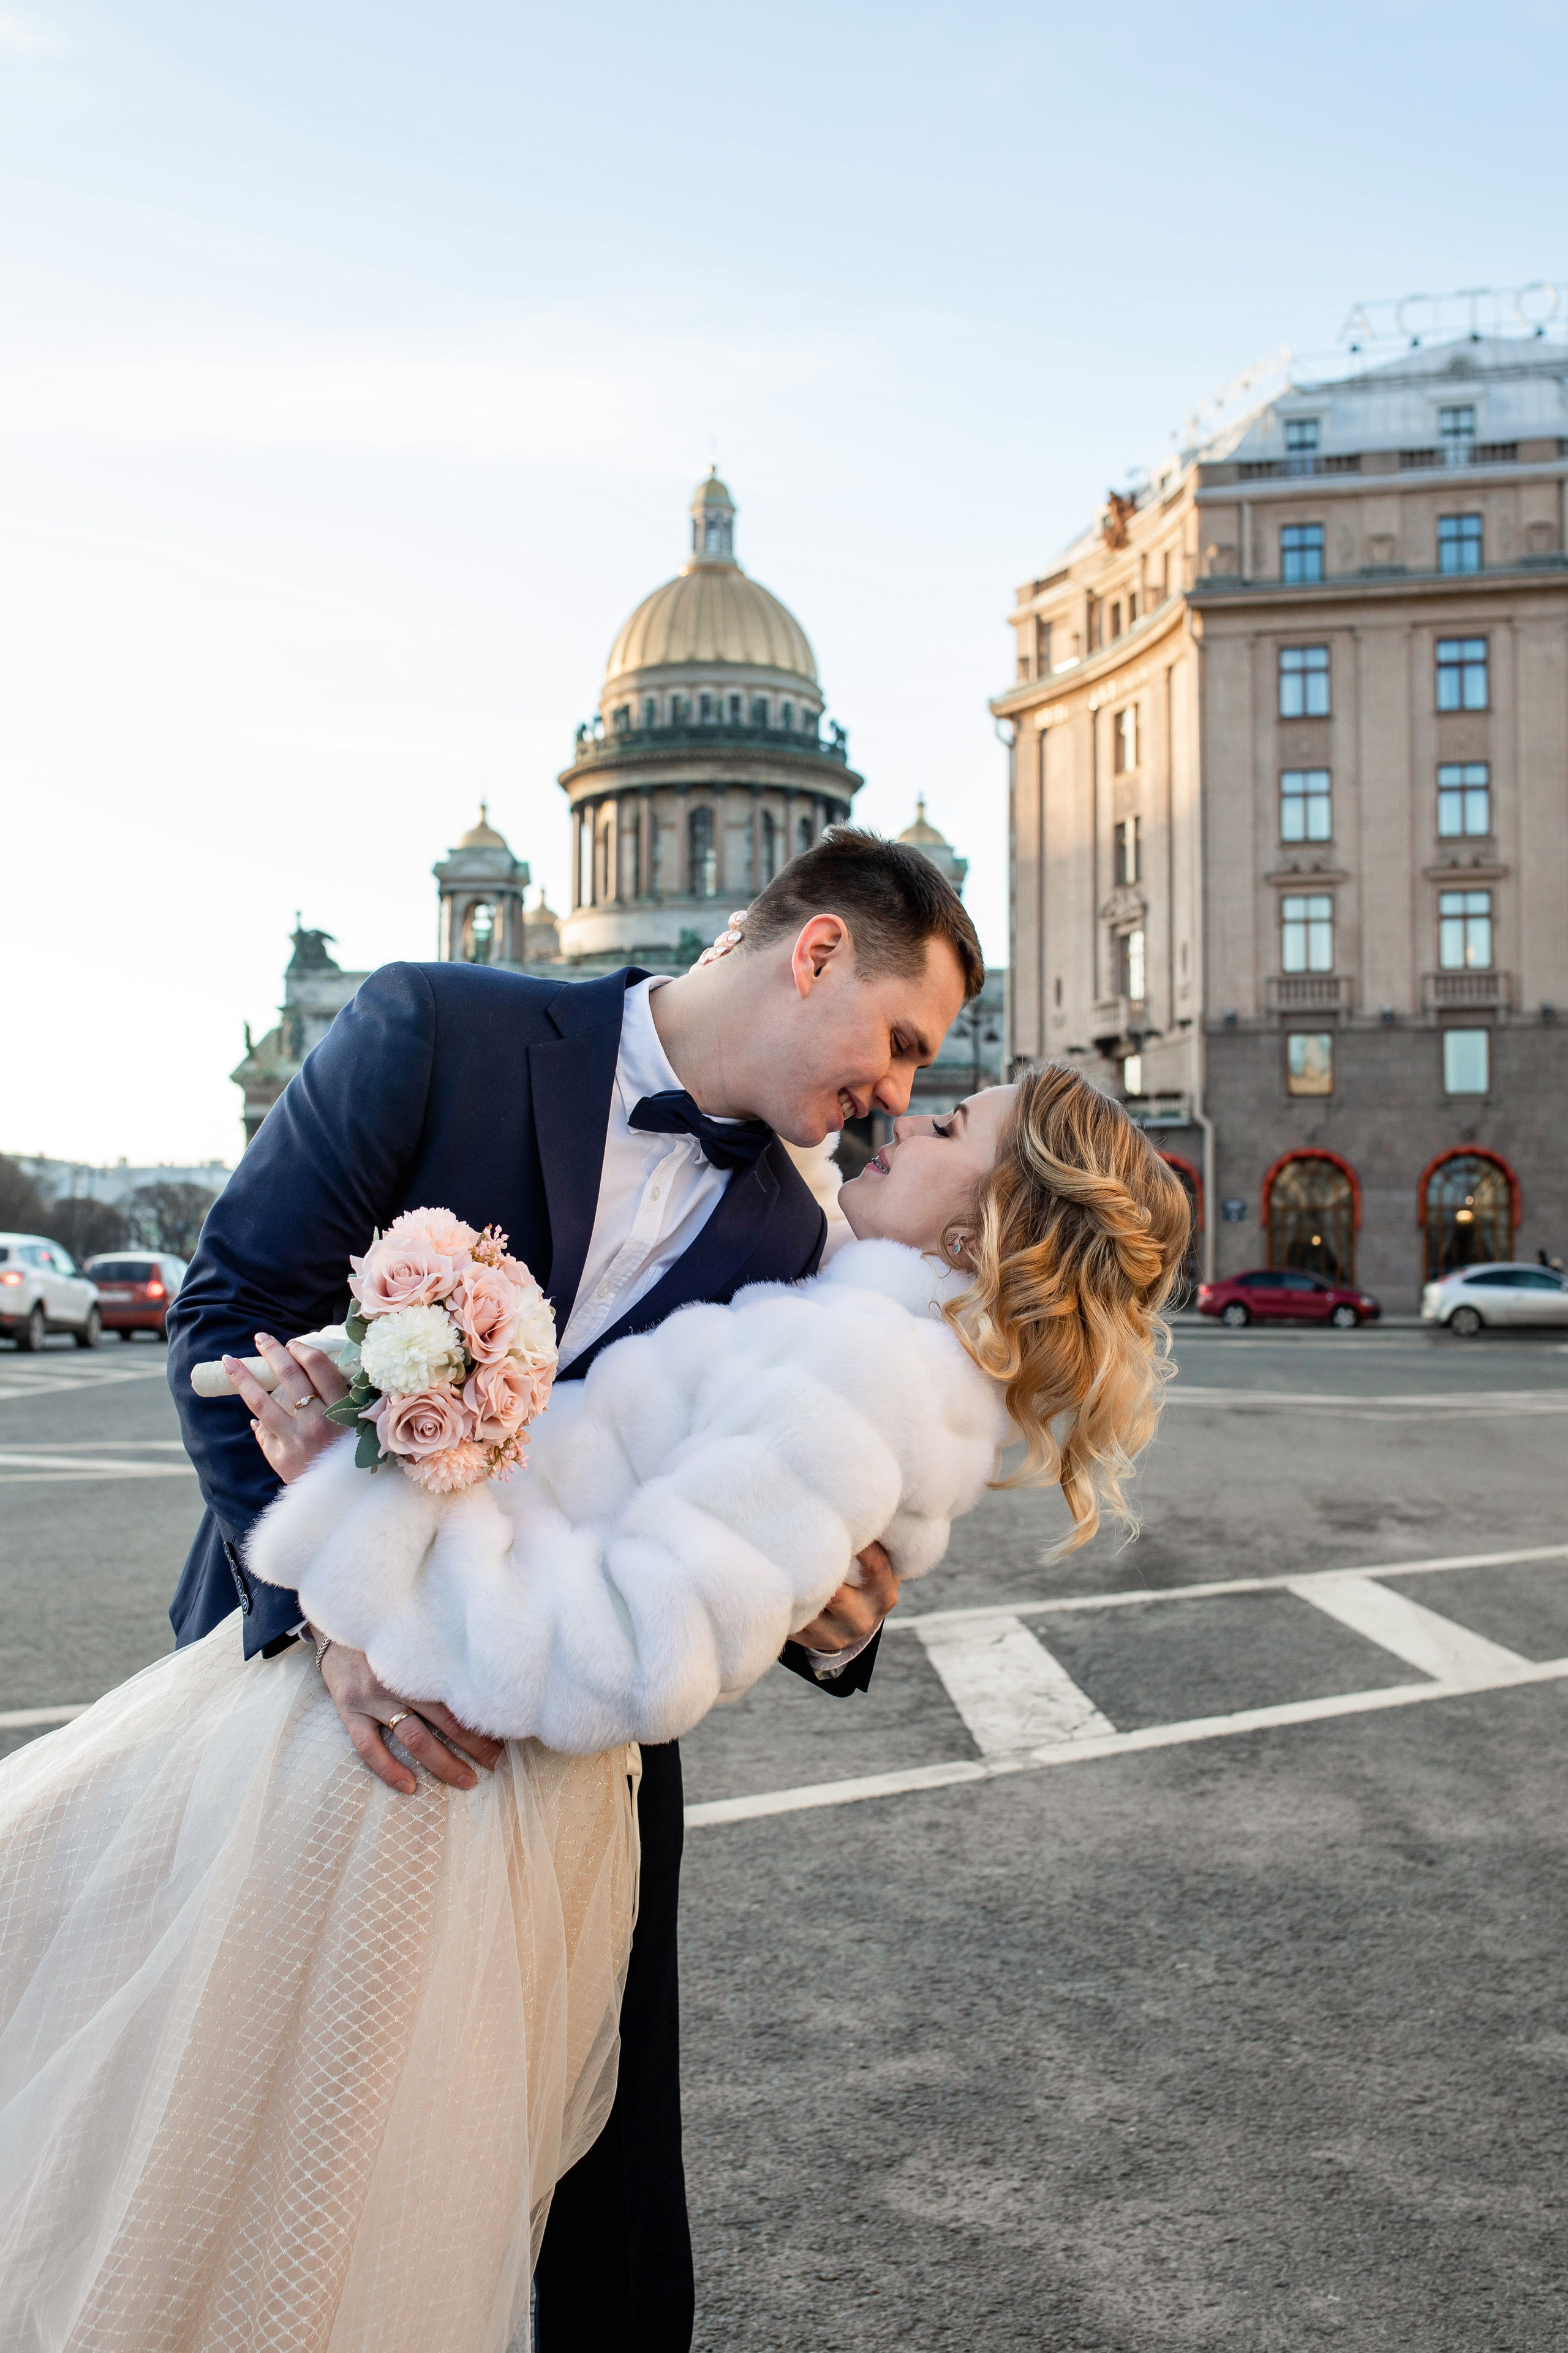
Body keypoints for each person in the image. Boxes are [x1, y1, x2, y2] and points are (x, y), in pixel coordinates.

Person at [0, 1063, 1187, 2352]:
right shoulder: (836, 1317)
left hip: (436, 1796)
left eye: (953, 1124)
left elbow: (621, 1642)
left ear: (986, 1224)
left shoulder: (865, 1368)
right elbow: (593, 1515)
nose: (900, 1108)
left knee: (264, 2206)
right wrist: (395, 1421)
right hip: (431, 1769)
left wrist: (358, 1497)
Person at [172, 828, 984, 2352]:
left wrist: (842, 1612)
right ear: (813, 950)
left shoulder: (810, 1237)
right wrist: (330, 1618)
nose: (894, 1094)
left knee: (598, 2160)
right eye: (896, 1041)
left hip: (575, 1743)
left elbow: (766, 1487)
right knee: (262, 2102)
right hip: (305, 1683)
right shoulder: (430, 1025)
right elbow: (228, 1307)